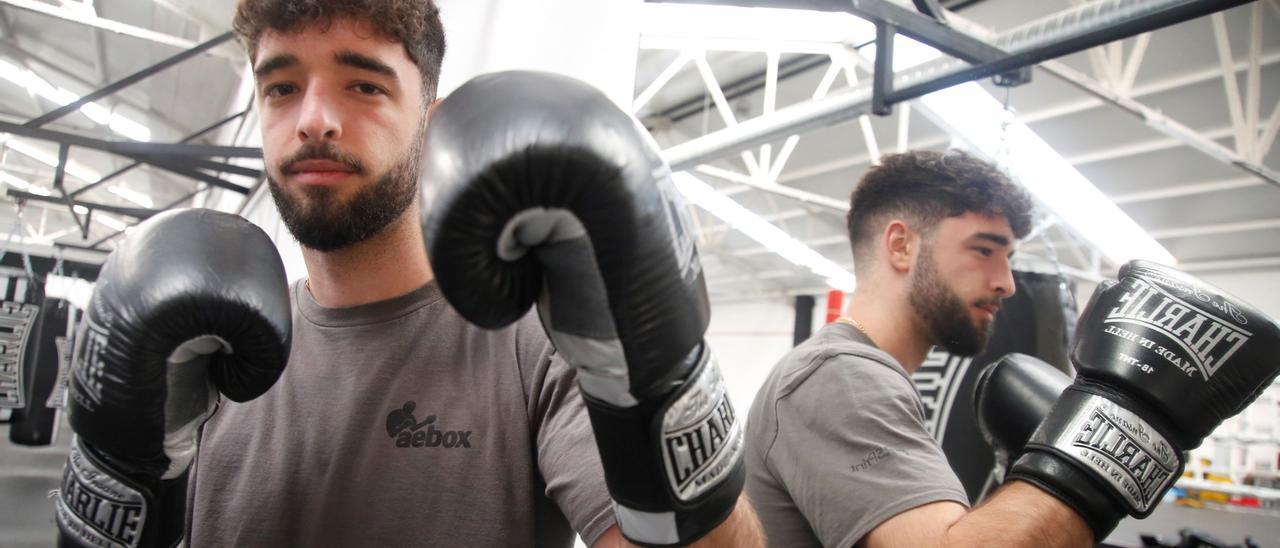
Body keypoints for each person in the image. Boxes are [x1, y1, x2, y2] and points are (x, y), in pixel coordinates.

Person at [179, 1, 760, 546]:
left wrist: (666, 370)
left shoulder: (537, 344)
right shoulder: (214, 348)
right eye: (281, 87)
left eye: (363, 85)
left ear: (433, 125)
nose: (314, 120)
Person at [742, 149, 1095, 546]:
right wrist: (1096, 453)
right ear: (900, 245)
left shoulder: (862, 374)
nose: (1006, 283)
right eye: (984, 250)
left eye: (1008, 258)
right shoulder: (841, 375)